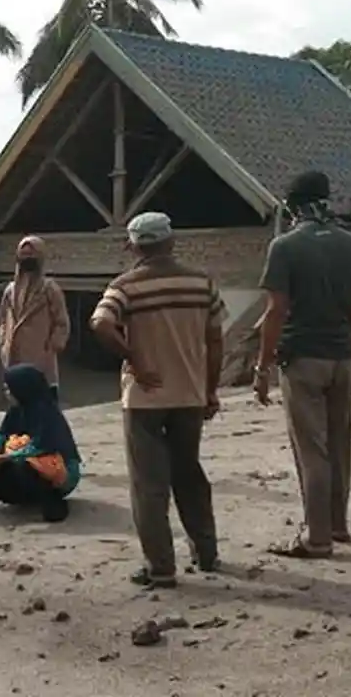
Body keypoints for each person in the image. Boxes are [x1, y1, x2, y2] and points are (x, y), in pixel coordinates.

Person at [89, 211, 226, 588]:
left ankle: (161, 568)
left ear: (133, 246)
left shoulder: (125, 286)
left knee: (149, 484)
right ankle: (207, 551)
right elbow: (215, 340)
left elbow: (100, 323)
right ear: (171, 242)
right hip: (189, 396)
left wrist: (134, 358)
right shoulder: (202, 283)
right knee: (189, 474)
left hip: (144, 398)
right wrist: (210, 389)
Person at [253, 171, 351, 560]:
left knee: (311, 449)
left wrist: (262, 367)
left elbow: (276, 311)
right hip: (341, 356)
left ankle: (317, 537)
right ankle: (338, 523)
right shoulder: (349, 244)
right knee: (339, 443)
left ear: (291, 205)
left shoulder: (284, 247)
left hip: (302, 357)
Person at [0, 364, 82, 522]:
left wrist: (1, 459)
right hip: (25, 458)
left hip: (59, 469)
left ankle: (51, 498)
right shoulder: (17, 410)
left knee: (27, 465)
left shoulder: (47, 414)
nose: (6, 392)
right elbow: (1, 435)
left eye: (9, 388)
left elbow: (40, 448)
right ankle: (19, 495)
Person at [0, 236, 70, 399]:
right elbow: (3, 319)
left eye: (31, 255)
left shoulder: (49, 289)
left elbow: (62, 322)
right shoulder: (10, 291)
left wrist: (51, 347)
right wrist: (4, 343)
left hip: (39, 358)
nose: (27, 259)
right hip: (14, 356)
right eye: (23, 255)